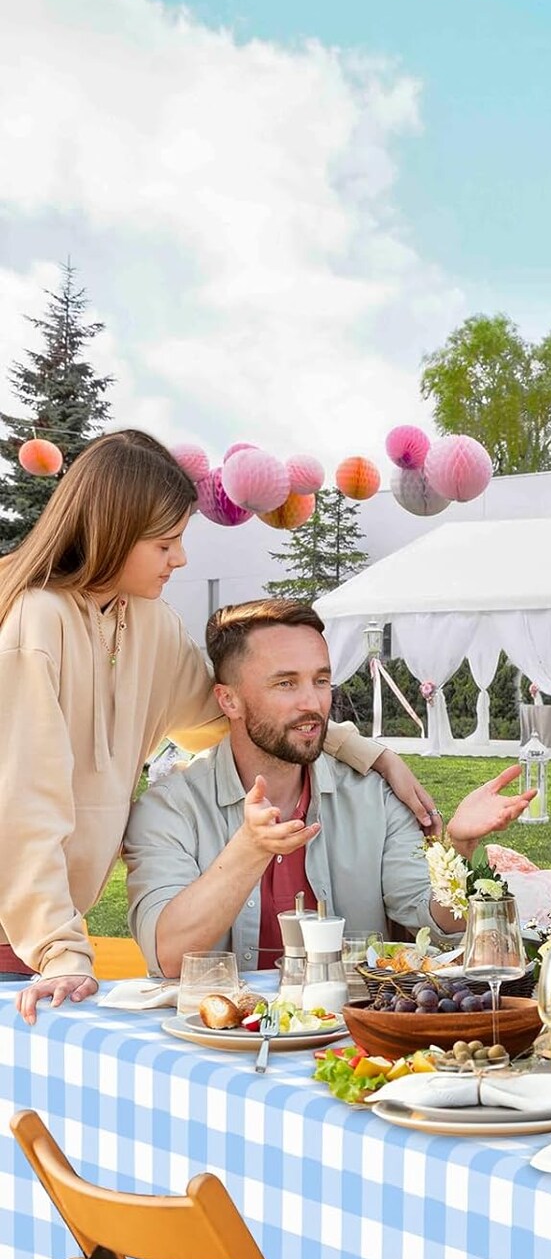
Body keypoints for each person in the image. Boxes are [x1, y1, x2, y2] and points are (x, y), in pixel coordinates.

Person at [0, 430, 438, 1024]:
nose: (179, 560)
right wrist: (58, 949)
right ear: (112, 535)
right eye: (165, 543)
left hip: (46, 930)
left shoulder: (147, 623)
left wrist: (370, 754)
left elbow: (233, 715)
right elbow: (24, 806)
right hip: (22, 925)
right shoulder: (36, 622)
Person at [123, 598, 533, 972]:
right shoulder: (170, 809)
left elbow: (438, 923)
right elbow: (167, 957)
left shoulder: (375, 795)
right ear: (229, 700)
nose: (312, 703)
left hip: (353, 1041)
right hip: (218, 1043)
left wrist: (459, 847)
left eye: (320, 680)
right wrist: (250, 848)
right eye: (286, 683)